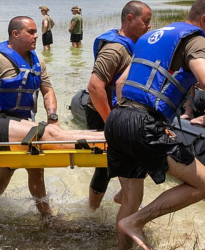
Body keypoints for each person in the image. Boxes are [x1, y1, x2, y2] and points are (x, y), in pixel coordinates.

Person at [106, 1, 205, 249]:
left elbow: (120, 83)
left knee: (130, 198)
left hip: (117, 121)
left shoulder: (152, 37)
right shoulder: (196, 41)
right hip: (143, 124)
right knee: (203, 184)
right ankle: (137, 221)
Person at [0, 16, 59, 219]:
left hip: (26, 123)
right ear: (15, 34)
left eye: (36, 32)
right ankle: (47, 216)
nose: (36, 36)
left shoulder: (37, 60)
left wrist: (53, 117)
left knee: (9, 169)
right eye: (31, 32)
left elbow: (48, 90)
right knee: (33, 167)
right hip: (1, 125)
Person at [85, 1, 152, 210]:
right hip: (102, 113)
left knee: (144, 158)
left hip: (122, 115)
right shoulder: (115, 49)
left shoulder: (134, 45)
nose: (149, 26)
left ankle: (122, 197)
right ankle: (93, 211)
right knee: (103, 168)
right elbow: (95, 87)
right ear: (130, 19)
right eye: (146, 21)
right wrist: (111, 124)